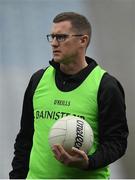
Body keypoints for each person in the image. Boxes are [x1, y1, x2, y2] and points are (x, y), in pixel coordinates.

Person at [9, 12, 128, 179]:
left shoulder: (106, 86)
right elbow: (25, 139)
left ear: (83, 40)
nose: (54, 43)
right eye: (52, 36)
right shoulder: (38, 79)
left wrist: (88, 162)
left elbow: (117, 143)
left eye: (61, 37)